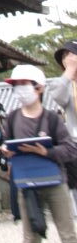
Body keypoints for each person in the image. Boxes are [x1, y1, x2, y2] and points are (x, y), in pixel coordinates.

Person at [1, 62, 77, 243]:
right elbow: (6, 147)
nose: (20, 89)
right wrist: (6, 152)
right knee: (30, 241)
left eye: (24, 84)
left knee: (70, 238)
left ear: (39, 88)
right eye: (16, 85)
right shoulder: (12, 118)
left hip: (55, 183)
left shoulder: (52, 119)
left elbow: (71, 149)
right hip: (27, 185)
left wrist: (46, 151)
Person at [51, 39, 77, 208]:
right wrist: (69, 72)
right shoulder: (66, 85)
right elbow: (57, 95)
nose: (68, 58)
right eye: (64, 56)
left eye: (71, 54)